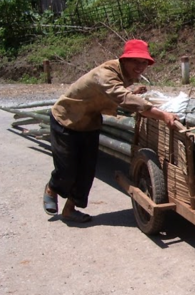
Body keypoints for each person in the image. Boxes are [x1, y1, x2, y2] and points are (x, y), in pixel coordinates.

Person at [43, 39, 179, 223]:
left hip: (89, 123)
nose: (140, 67)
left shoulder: (124, 75)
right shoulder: (106, 73)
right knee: (67, 169)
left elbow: (119, 93)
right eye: (135, 61)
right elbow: (121, 97)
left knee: (86, 170)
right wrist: (162, 115)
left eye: (144, 62)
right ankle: (52, 188)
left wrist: (133, 91)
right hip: (66, 119)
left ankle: (70, 209)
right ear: (124, 60)